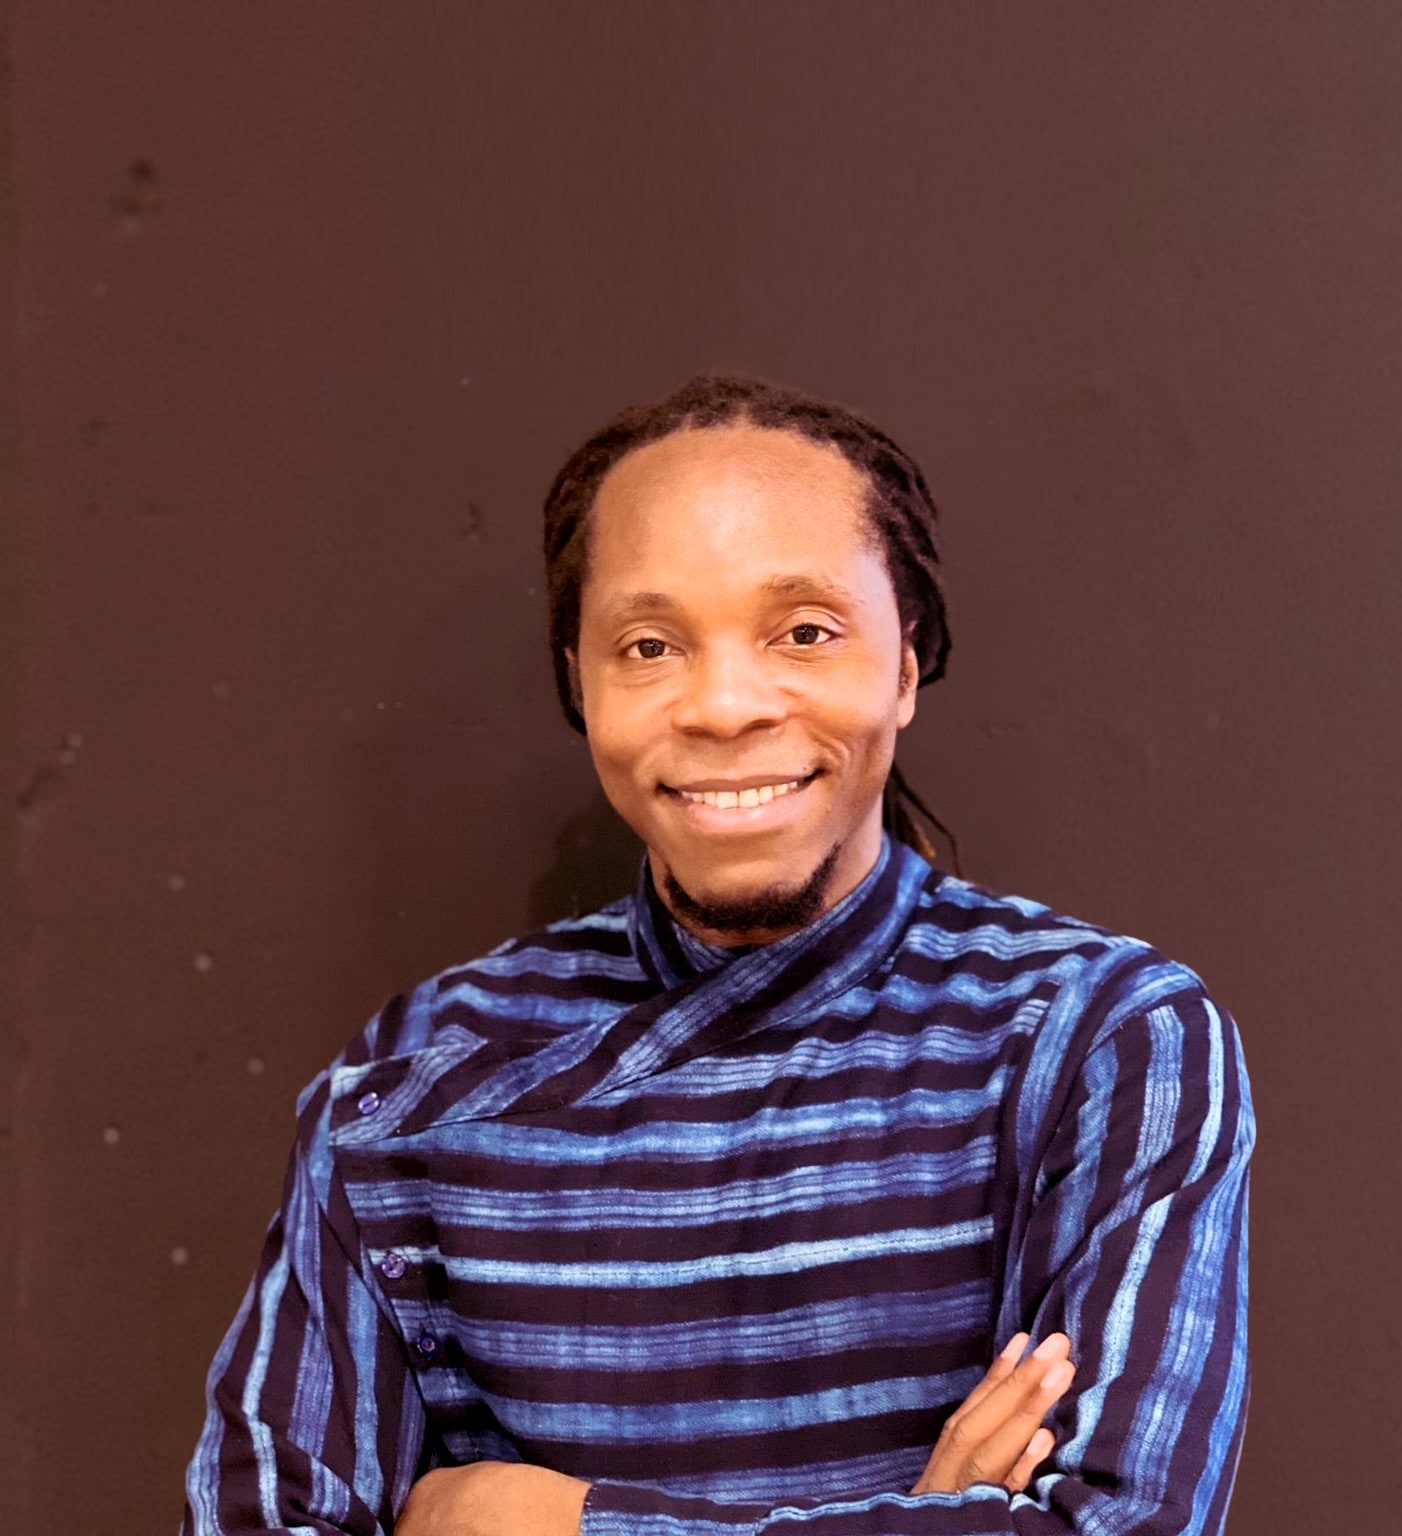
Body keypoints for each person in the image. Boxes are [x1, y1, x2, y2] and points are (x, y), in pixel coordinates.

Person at [181, 374, 1254, 1536]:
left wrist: (538, 1522)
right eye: (650, 646)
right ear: (578, 683)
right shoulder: (412, 1083)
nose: (726, 705)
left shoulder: (1096, 1041)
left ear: (905, 664)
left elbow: (1115, 1527)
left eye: (804, 632)